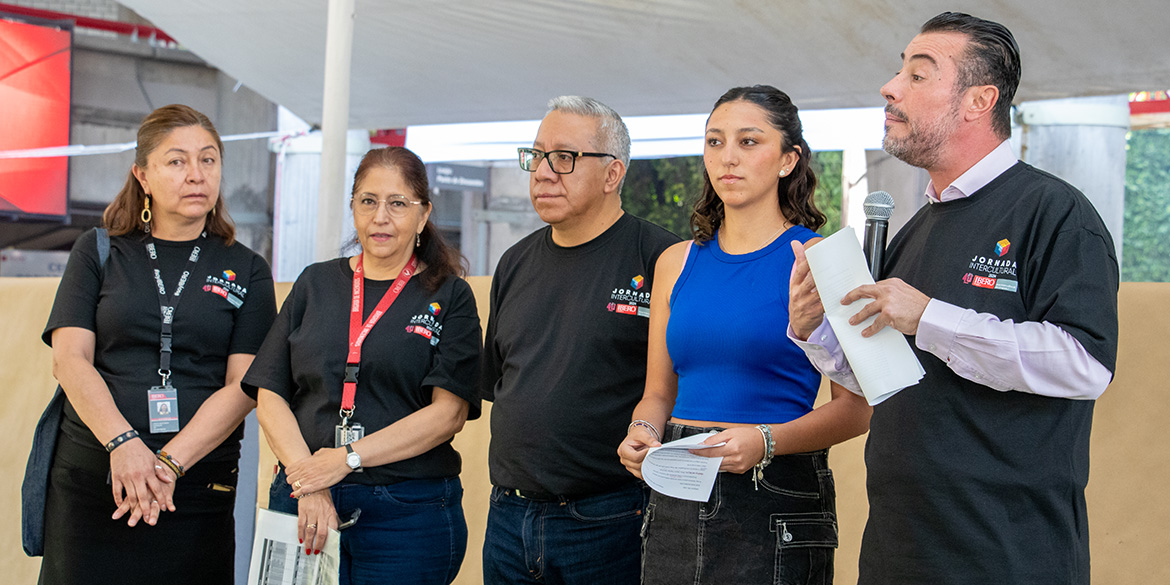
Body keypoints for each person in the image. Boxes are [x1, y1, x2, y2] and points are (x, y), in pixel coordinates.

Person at [788, 12, 1119, 585]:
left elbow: (1085, 365)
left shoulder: (1055, 213)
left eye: (919, 75)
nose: (890, 88)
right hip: (900, 548)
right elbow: (881, 378)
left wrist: (929, 317)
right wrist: (814, 328)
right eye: (899, 71)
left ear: (978, 100)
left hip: (1007, 556)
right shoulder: (914, 228)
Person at [617, 85, 872, 585]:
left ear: (787, 160)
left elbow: (857, 409)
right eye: (714, 142)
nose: (727, 157)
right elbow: (657, 394)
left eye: (749, 141)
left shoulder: (825, 260)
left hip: (775, 492)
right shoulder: (675, 262)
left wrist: (766, 441)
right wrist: (642, 433)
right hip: (676, 488)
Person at [40, 104, 277, 584]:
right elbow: (70, 359)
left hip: (193, 487)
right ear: (142, 175)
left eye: (208, 160)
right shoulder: (99, 249)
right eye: (177, 161)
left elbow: (245, 384)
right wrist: (124, 443)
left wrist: (168, 463)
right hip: (95, 476)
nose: (196, 175)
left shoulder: (247, 267)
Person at [243, 146, 481, 585]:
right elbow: (269, 391)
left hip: (407, 515)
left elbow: (449, 414)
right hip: (304, 498)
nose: (381, 217)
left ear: (423, 214)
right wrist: (310, 479)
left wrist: (346, 459)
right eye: (368, 201)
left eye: (398, 204)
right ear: (353, 207)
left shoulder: (449, 295)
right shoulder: (314, 282)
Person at [480, 96, 680, 585]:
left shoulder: (662, 257)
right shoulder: (514, 262)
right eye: (536, 156)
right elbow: (501, 383)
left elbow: (677, 388)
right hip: (509, 517)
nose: (544, 173)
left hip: (610, 519)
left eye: (564, 158)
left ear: (613, 174)